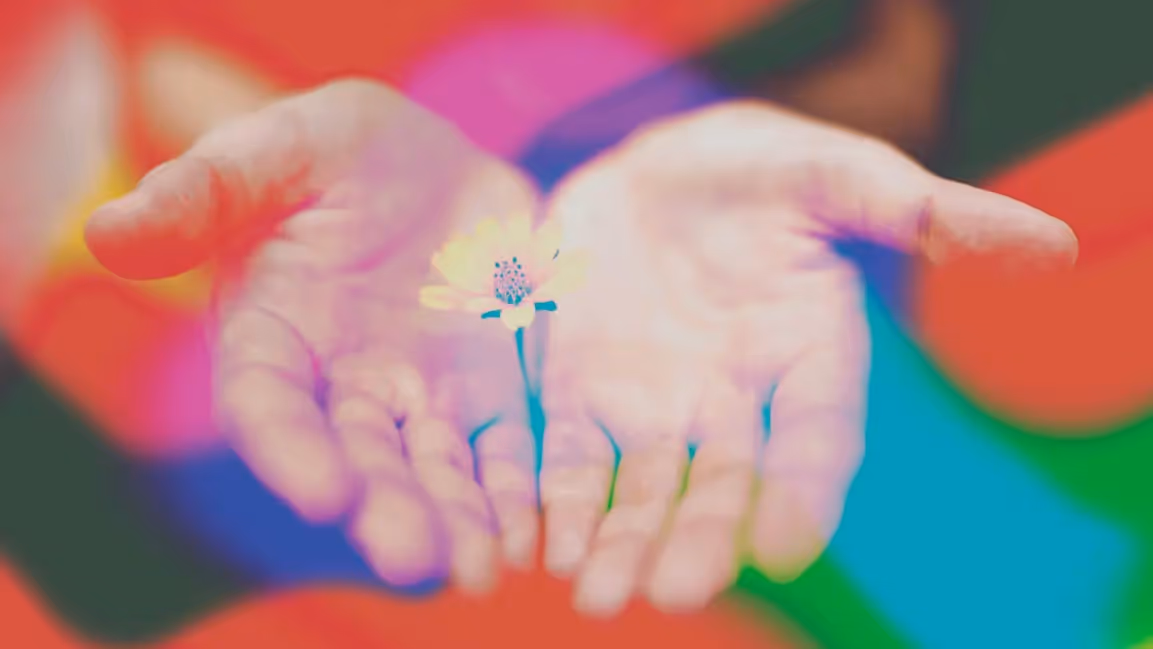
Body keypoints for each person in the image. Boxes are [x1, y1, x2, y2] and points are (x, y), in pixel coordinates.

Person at [84, 72, 1076, 617]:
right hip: (288, 363)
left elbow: (905, 52)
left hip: (743, 178)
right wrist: (274, 161)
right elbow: (139, 59)